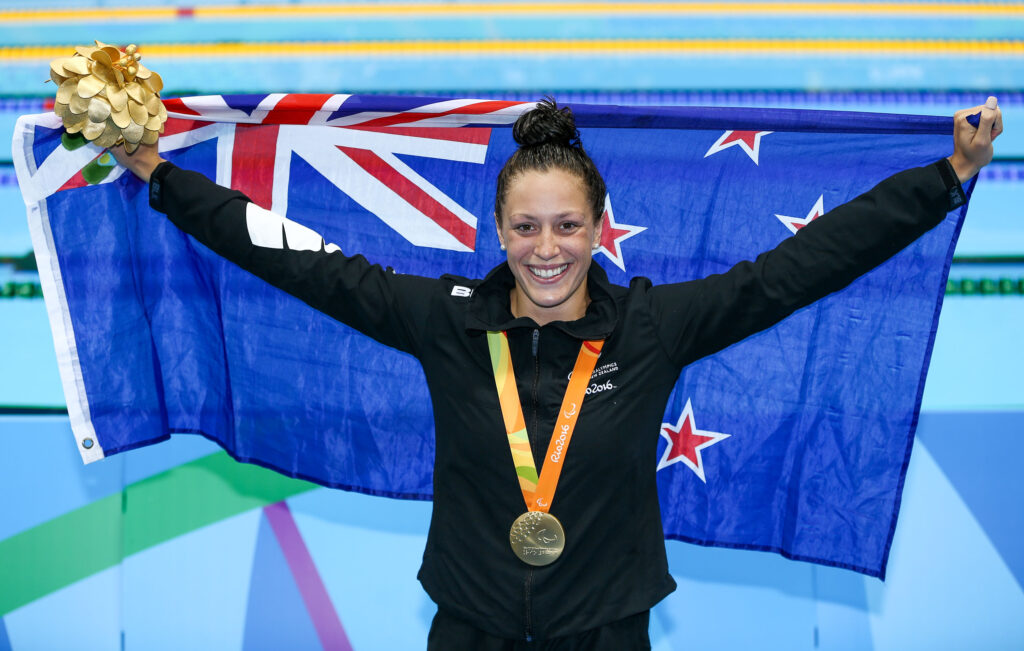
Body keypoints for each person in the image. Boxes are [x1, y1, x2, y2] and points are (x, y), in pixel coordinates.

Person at [112, 96, 1002, 649]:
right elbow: (295, 259)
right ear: (500, 231)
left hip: (607, 630)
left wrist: (947, 176)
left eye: (568, 226)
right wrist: (160, 176)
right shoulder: (445, 319)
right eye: (529, 228)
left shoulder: (653, 326)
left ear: (598, 226)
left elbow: (800, 269)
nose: (548, 249)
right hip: (469, 626)